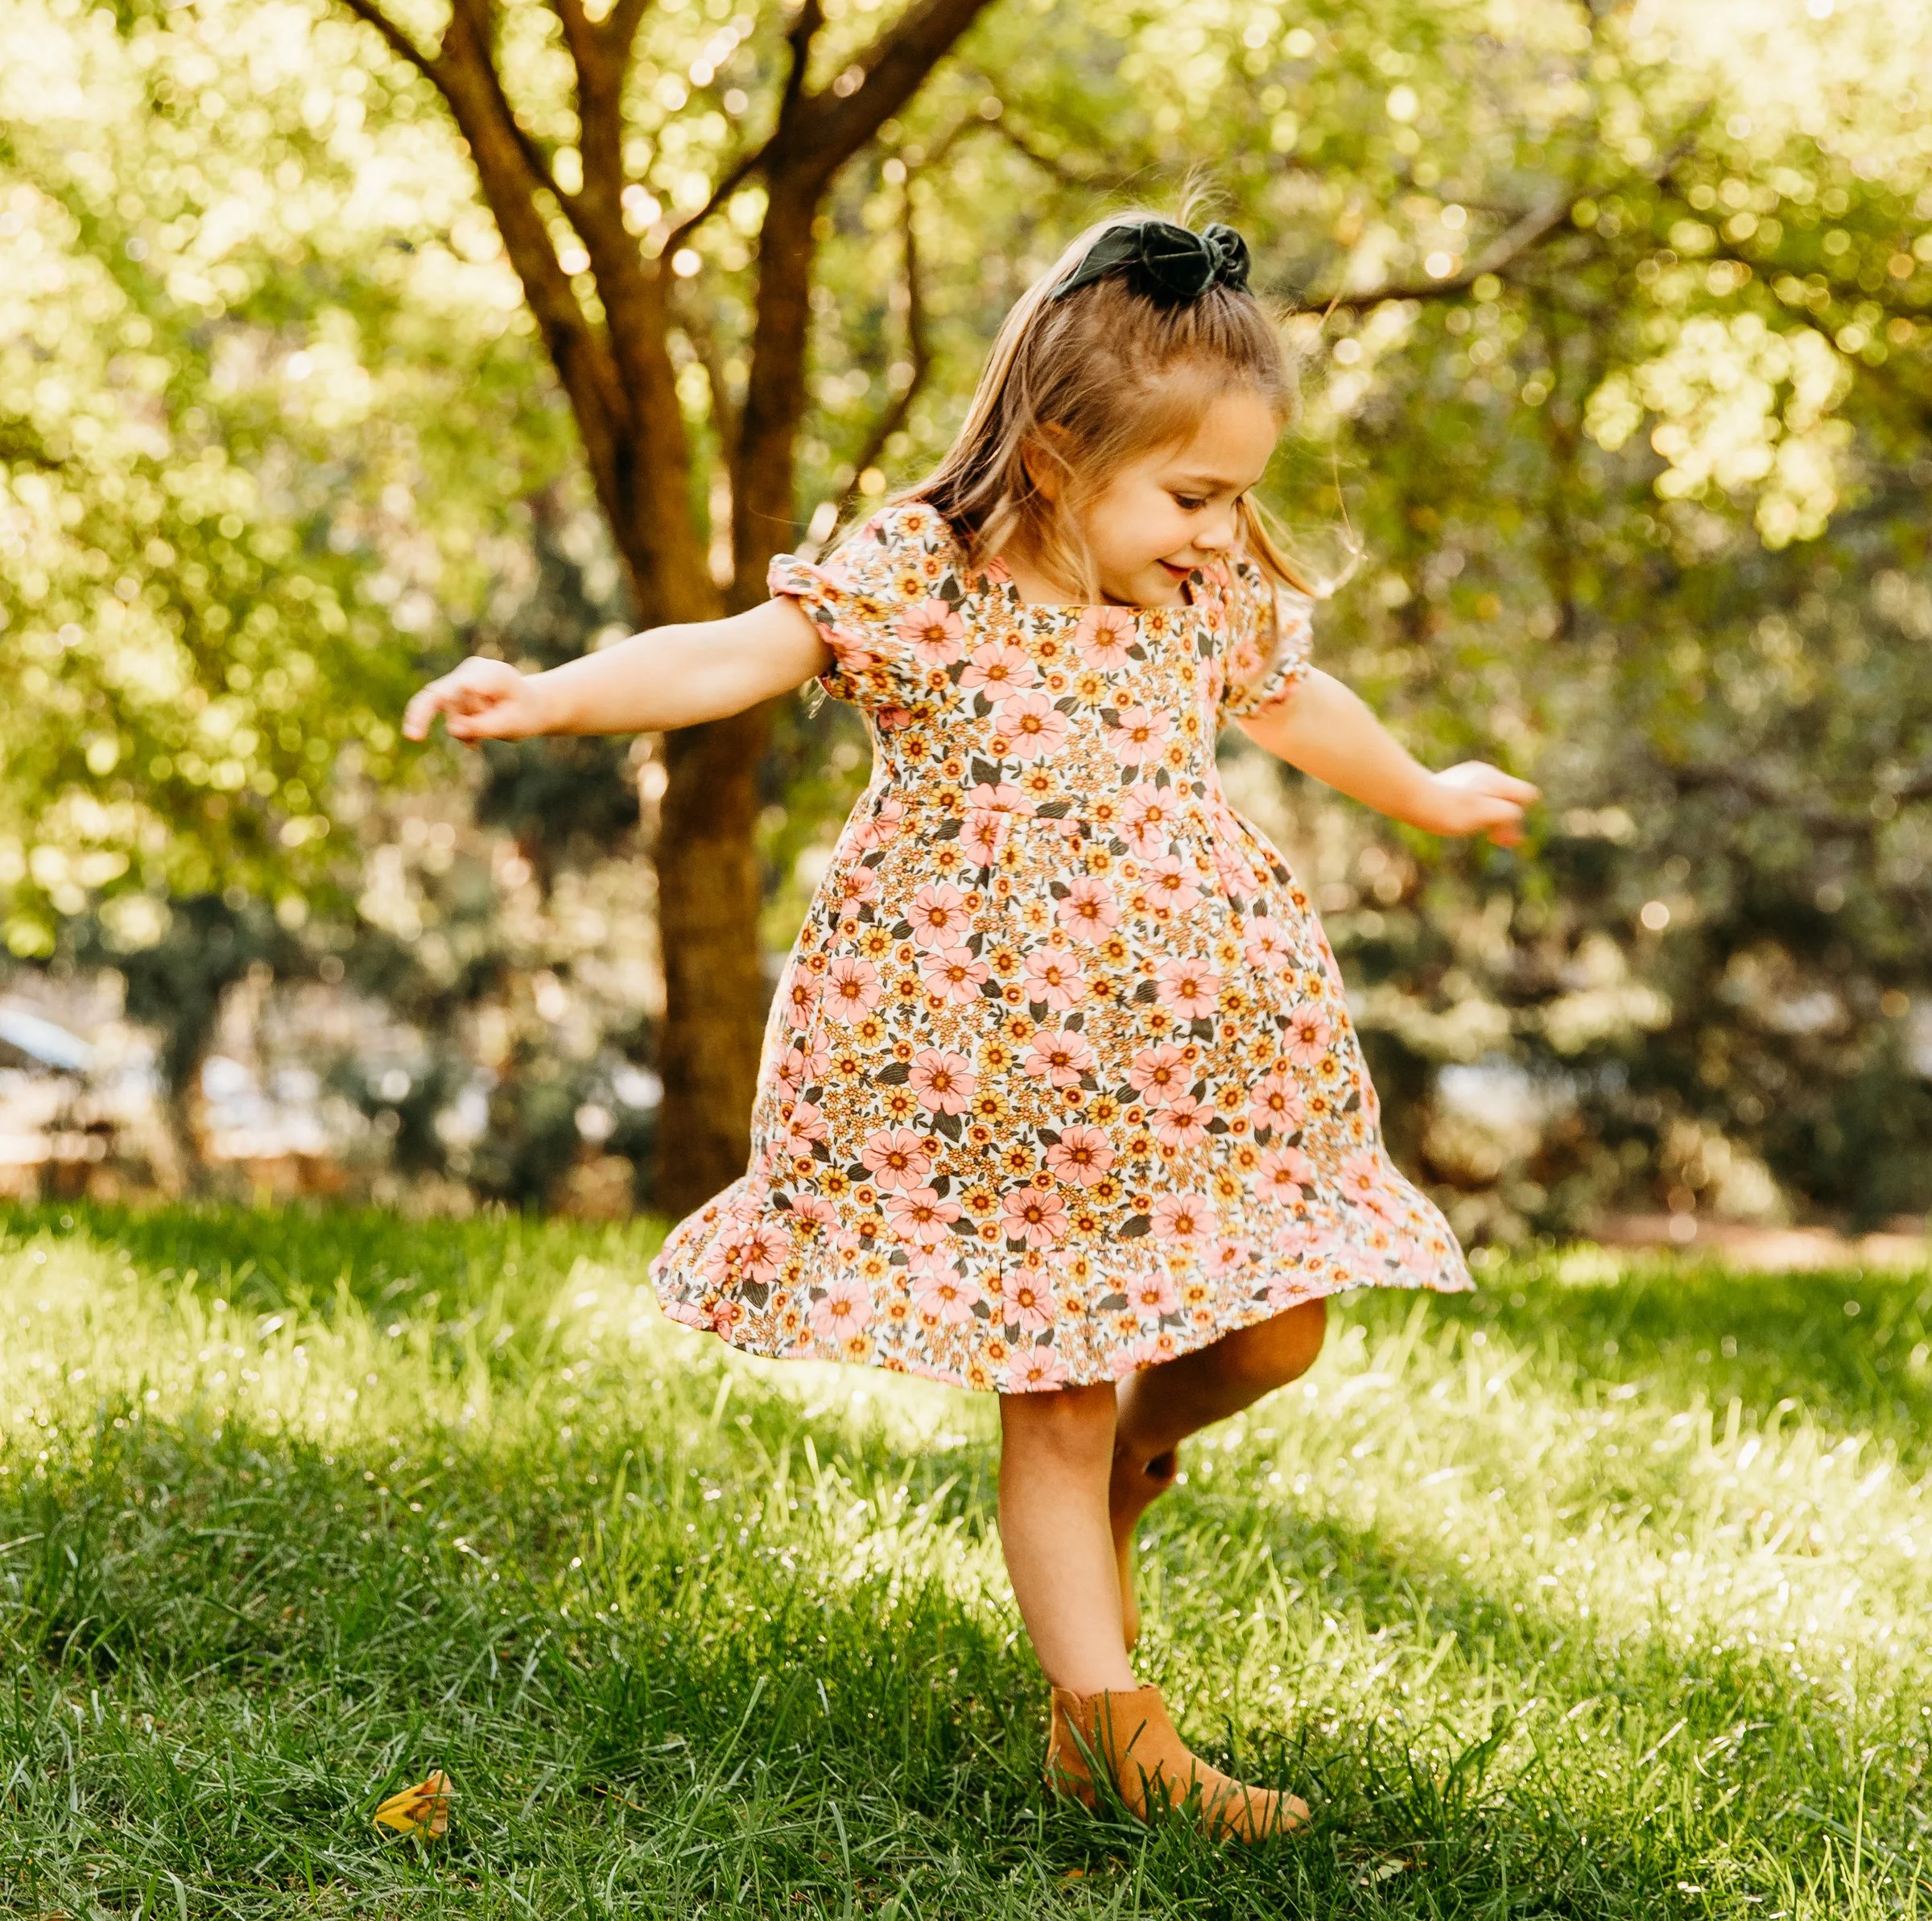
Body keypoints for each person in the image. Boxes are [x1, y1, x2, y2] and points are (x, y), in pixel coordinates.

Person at [405, 213, 1536, 1839]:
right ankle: (1109, 1737)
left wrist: (1423, 792)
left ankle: (1139, 1461)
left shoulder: (1201, 602)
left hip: (1196, 1079)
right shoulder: (923, 577)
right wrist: (551, 693)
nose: (1224, 533)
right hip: (993, 1081)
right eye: (1194, 496)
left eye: (1238, 498)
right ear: (1062, 457)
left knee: (1275, 1332)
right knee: (1054, 1394)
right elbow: (730, 653)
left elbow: (1301, 702)